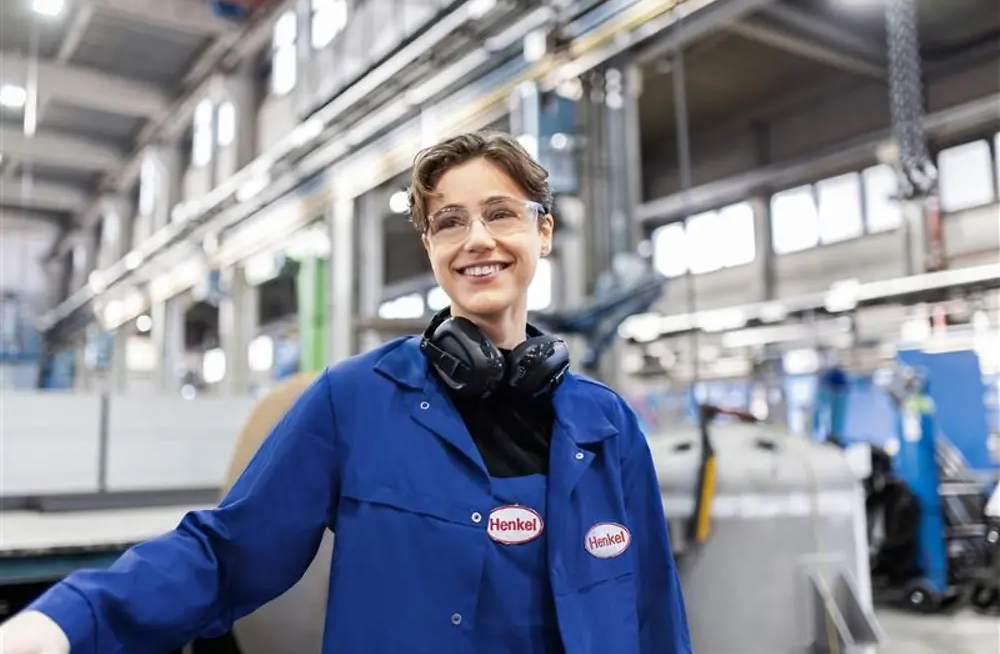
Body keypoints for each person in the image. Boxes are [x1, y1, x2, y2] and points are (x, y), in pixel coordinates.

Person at [1, 131, 691, 654]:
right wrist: (66, 619)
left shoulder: (606, 426)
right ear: (428, 246)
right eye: (449, 221)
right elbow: (228, 552)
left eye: (501, 214)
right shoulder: (355, 401)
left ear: (542, 230)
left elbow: (654, 609)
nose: (476, 239)